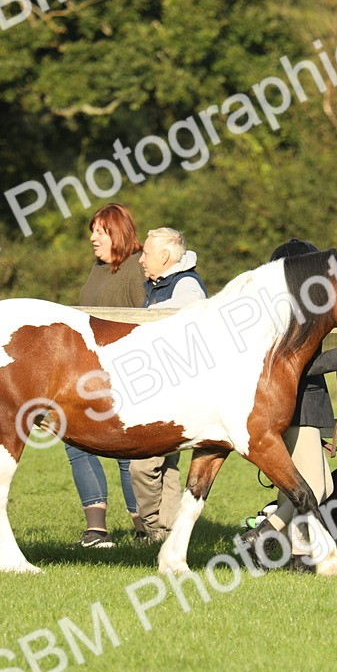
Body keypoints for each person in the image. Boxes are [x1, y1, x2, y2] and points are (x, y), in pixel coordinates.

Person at [244, 239, 337, 570]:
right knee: (315, 487)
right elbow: (294, 367)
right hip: (300, 408)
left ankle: (295, 554)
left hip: (300, 406)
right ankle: (263, 532)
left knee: (297, 485)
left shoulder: (283, 311)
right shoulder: (293, 316)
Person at [70, 203, 146, 548]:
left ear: (118, 233)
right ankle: (96, 530)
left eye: (100, 231)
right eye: (92, 231)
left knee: (128, 452)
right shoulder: (97, 269)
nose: (92, 238)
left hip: (126, 375)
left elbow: (148, 320)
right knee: (76, 442)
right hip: (88, 373)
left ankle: (144, 526)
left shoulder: (137, 267)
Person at [128, 228, 207, 543]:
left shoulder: (186, 285)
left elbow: (185, 321)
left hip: (171, 391)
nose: (141, 260)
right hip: (160, 387)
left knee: (142, 465)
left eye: (146, 253)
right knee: (168, 466)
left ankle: (152, 527)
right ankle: (169, 531)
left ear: (164, 256)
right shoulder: (161, 283)